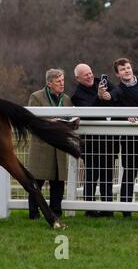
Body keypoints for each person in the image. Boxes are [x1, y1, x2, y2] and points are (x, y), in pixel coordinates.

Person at [71, 63, 118, 217]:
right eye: (86, 75)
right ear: (78, 78)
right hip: (91, 143)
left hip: (109, 141)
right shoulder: (77, 95)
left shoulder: (102, 82)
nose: (90, 76)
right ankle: (89, 209)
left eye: (90, 73)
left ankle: (107, 209)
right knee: (91, 176)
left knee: (107, 176)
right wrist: (98, 97)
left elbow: (118, 93)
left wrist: (109, 96)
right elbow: (89, 113)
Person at [27, 69, 72, 219]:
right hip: (42, 145)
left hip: (59, 146)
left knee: (58, 182)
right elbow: (31, 119)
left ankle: (56, 212)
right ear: (49, 83)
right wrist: (49, 121)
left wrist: (73, 121)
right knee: (37, 181)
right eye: (58, 81)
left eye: (63, 80)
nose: (62, 84)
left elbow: (71, 116)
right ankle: (34, 213)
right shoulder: (36, 97)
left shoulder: (66, 99)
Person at [99, 58, 138, 218]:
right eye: (122, 69)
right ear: (117, 74)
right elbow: (109, 98)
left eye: (128, 67)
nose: (126, 71)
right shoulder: (119, 90)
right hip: (130, 140)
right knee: (129, 173)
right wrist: (102, 94)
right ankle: (126, 210)